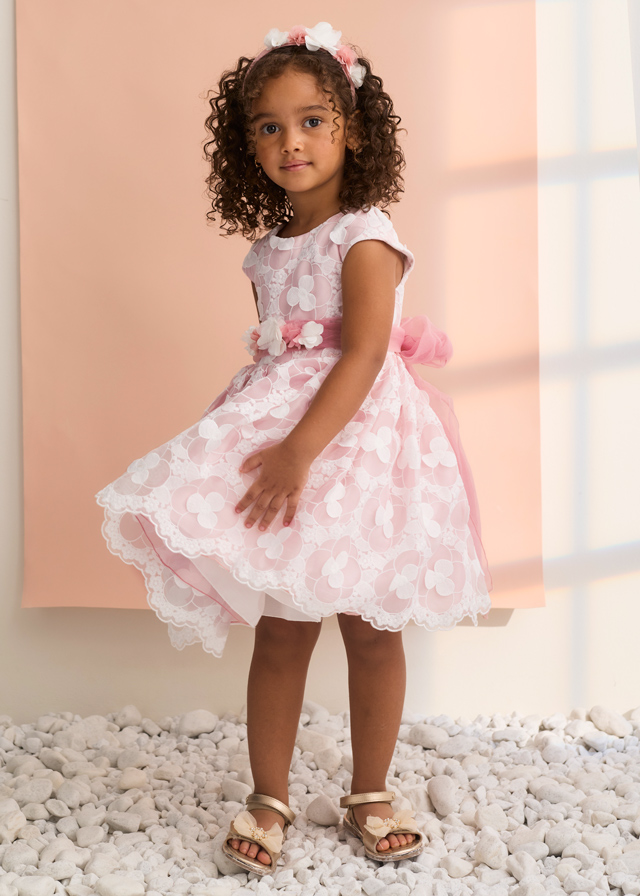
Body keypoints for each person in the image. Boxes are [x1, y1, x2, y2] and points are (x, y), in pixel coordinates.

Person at [95, 20, 493, 876]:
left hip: (357, 447)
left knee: (372, 628)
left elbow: (363, 355)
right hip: (287, 436)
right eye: (269, 127)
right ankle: (269, 796)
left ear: (355, 129)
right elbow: (284, 355)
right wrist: (273, 442)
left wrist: (298, 452)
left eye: (313, 121)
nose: (292, 142)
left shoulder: (366, 234)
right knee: (282, 627)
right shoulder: (268, 249)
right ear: (247, 145)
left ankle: (371, 791)